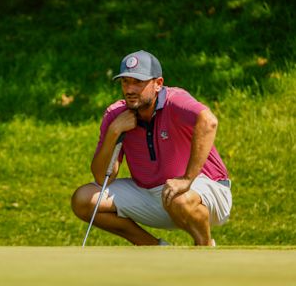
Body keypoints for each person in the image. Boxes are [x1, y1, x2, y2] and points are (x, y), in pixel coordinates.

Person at [71, 50, 232, 246]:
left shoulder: (175, 100)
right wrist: (114, 131)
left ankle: (205, 248)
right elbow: (102, 177)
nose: (130, 89)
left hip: (205, 189)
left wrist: (187, 179)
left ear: (158, 84)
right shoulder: (116, 115)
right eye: (125, 82)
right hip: (150, 194)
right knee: (83, 200)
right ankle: (155, 249)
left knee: (179, 199)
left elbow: (209, 122)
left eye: (138, 82)